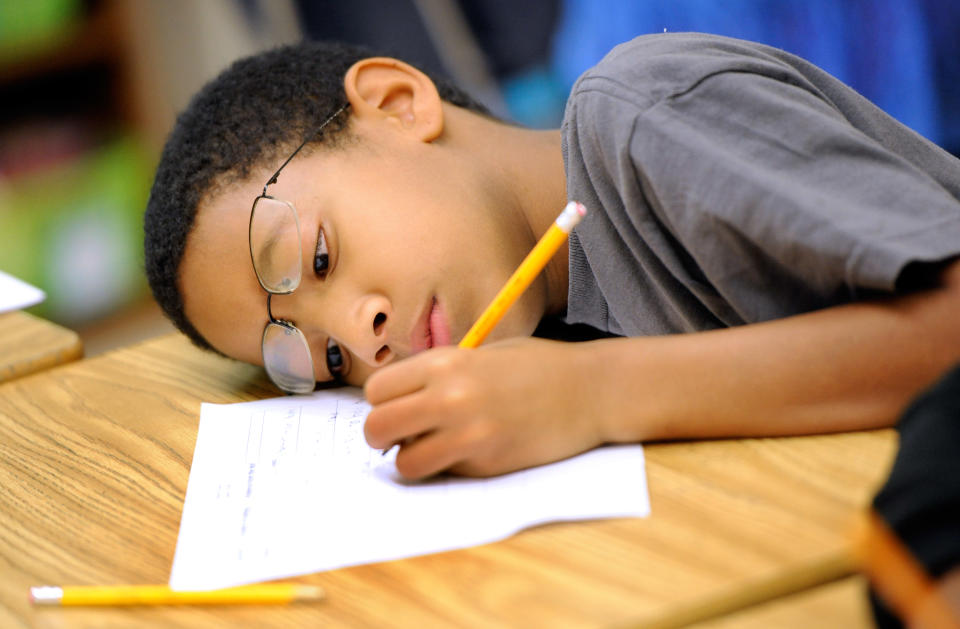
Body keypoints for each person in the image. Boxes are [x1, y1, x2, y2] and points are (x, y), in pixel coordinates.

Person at [144, 33, 960, 482]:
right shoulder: (549, 315)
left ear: (398, 105)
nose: (365, 337)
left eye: (319, 259)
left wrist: (593, 395)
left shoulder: (643, 116)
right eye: (323, 359)